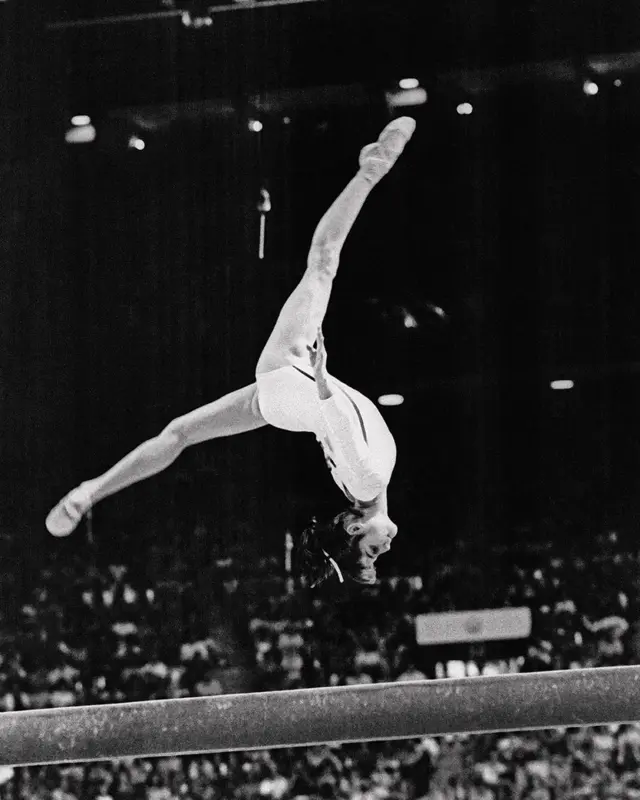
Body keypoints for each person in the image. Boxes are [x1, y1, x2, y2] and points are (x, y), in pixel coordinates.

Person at [46, 117, 416, 586]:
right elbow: (337, 433)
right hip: (290, 402)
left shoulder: (363, 485)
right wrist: (322, 390)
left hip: (292, 379)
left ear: (353, 525)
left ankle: (372, 168)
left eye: (370, 552)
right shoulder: (359, 489)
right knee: (179, 434)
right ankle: (88, 494)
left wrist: (322, 381)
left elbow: (341, 426)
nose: (385, 549)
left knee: (322, 264)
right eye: (377, 558)